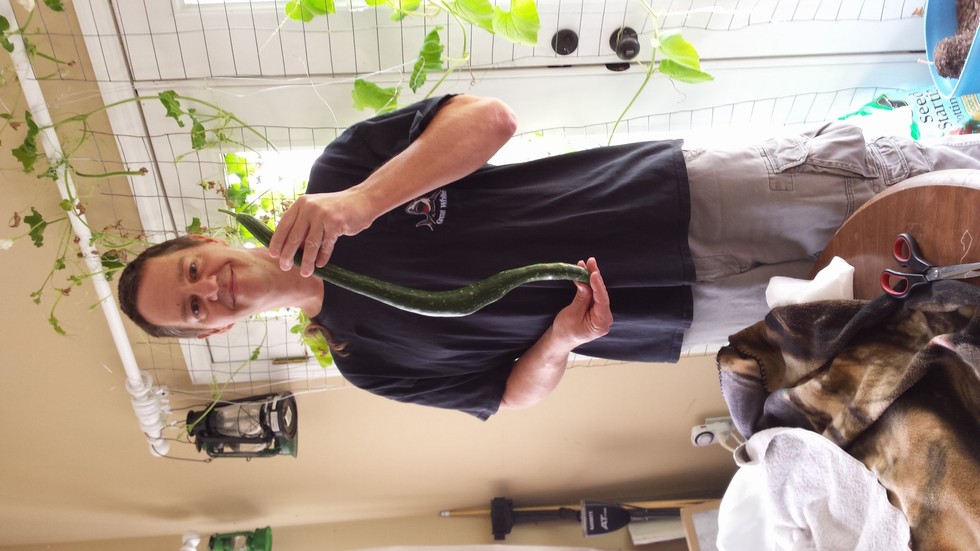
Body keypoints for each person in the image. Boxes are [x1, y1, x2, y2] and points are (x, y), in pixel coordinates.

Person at [118, 94, 980, 420]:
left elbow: (489, 121)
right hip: (666, 318)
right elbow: (507, 394)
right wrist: (561, 340)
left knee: (921, 198)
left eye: (192, 272)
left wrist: (361, 202)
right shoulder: (363, 359)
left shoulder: (342, 170)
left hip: (672, 193)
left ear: (206, 242)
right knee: (899, 299)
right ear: (212, 332)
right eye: (194, 308)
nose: (210, 290)